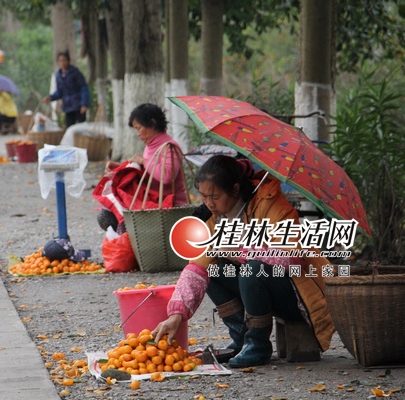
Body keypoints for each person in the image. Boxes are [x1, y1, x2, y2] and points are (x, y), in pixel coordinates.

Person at [152, 155, 335, 368]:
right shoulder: (212, 218)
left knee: (252, 269)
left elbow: (293, 258)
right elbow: (196, 268)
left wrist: (239, 250)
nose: (209, 203)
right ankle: (242, 338)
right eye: (203, 196)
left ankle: (257, 344)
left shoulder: (271, 204)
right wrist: (177, 314)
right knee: (213, 269)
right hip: (258, 291)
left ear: (236, 190)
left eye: (215, 196)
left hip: (296, 295)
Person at [96, 103, 189, 231]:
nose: (138, 133)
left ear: (152, 123)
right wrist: (119, 170)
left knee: (111, 219)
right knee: (105, 216)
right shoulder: (150, 146)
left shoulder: (170, 147)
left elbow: (167, 176)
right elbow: (148, 172)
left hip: (170, 207)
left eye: (139, 128)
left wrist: (143, 161)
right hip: (151, 203)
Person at [42, 52, 89, 128]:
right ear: (58, 62)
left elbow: (84, 87)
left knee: (81, 128)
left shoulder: (75, 73)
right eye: (60, 61)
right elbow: (59, 92)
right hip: (68, 107)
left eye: (64, 60)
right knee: (69, 128)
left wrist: (84, 104)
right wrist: (50, 97)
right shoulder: (58, 76)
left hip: (78, 105)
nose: (62, 63)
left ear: (68, 61)